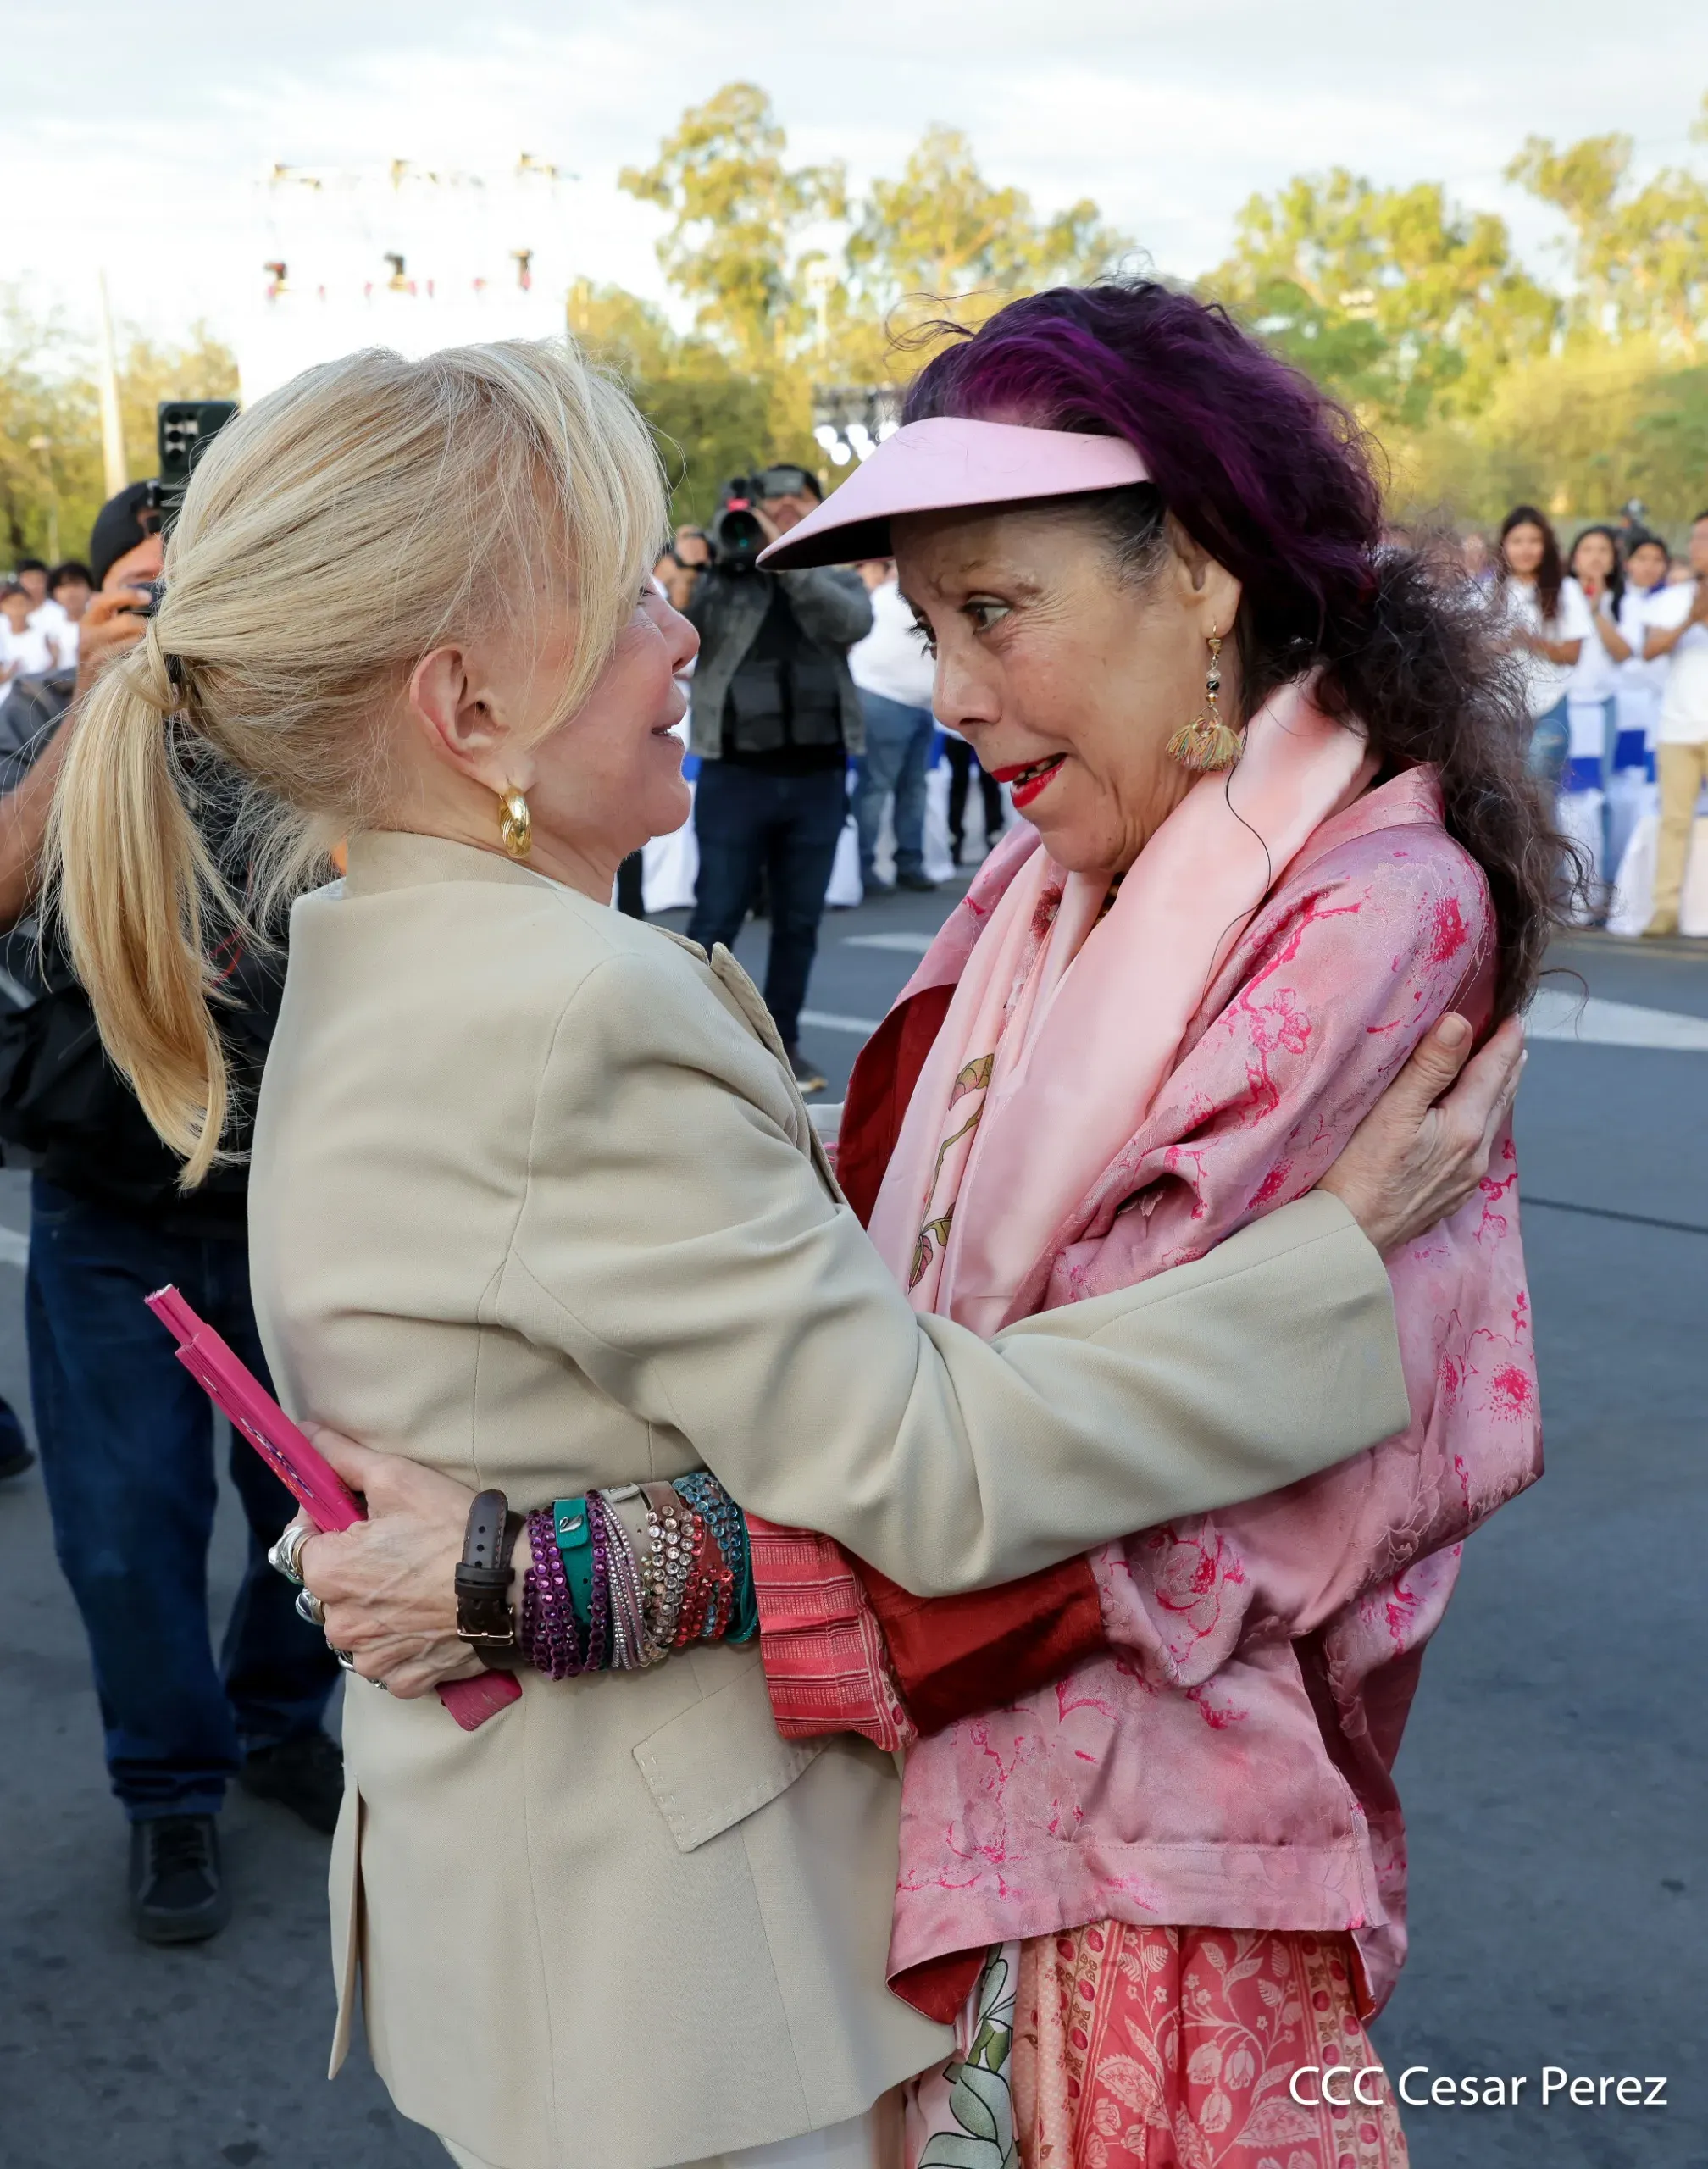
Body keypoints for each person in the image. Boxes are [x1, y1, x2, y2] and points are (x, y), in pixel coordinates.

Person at [47, 335, 1521, 2169]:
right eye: (626, 596)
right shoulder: (570, 1010)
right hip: (691, 1988)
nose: (682, 633)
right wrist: (1334, 1258)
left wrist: (540, 1559)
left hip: (554, 1928)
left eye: (994, 608)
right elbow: (931, 1469)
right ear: (469, 709)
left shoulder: (401, 953)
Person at [743, 281, 1554, 2166]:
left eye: (994, 610)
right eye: (928, 628)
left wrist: (606, 1570)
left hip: (1152, 1871)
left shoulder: (1374, 909)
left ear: (1197, 572)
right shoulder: (1049, 885)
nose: (954, 694)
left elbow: (1052, 1436)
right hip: (967, 1812)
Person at [2, 480, 341, 1949]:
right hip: (108, 1212)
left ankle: (279, 1721)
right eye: (155, 582)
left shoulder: (305, 721)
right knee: (125, 1536)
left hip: (297, 1203)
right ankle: (169, 1792)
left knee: (314, 1512)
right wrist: (99, 702)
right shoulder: (46, 721)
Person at [684, 463, 873, 1096]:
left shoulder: (836, 575)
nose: (787, 507)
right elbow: (689, 629)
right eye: (775, 500)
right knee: (716, 914)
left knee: (799, 922)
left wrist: (787, 560)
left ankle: (783, 1040)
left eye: (800, 498)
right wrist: (714, 560)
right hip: (736, 776)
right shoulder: (726, 578)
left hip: (818, 777)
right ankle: (690, 1042)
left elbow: (851, 624)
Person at [848, 556, 938, 895]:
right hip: (884, 699)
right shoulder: (894, 596)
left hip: (917, 704)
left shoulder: (910, 593)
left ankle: (907, 864)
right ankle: (866, 867)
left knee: (911, 789)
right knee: (878, 787)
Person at [1639, 507, 1708, 935]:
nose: (1699, 546)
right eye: (1697, 537)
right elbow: (1650, 650)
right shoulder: (1672, 600)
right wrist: (1691, 619)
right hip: (1679, 728)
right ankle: (1665, 907)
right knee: (1674, 821)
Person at [1493, 503, 1593, 783]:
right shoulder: (1487, 591)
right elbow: (1466, 651)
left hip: (1549, 707)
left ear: (1546, 546)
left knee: (1538, 792)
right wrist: (1495, 646)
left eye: (1534, 541)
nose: (1525, 550)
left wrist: (1532, 642)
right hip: (1497, 709)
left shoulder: (1566, 590)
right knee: (1501, 792)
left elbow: (1572, 654)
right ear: (1503, 545)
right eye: (1517, 541)